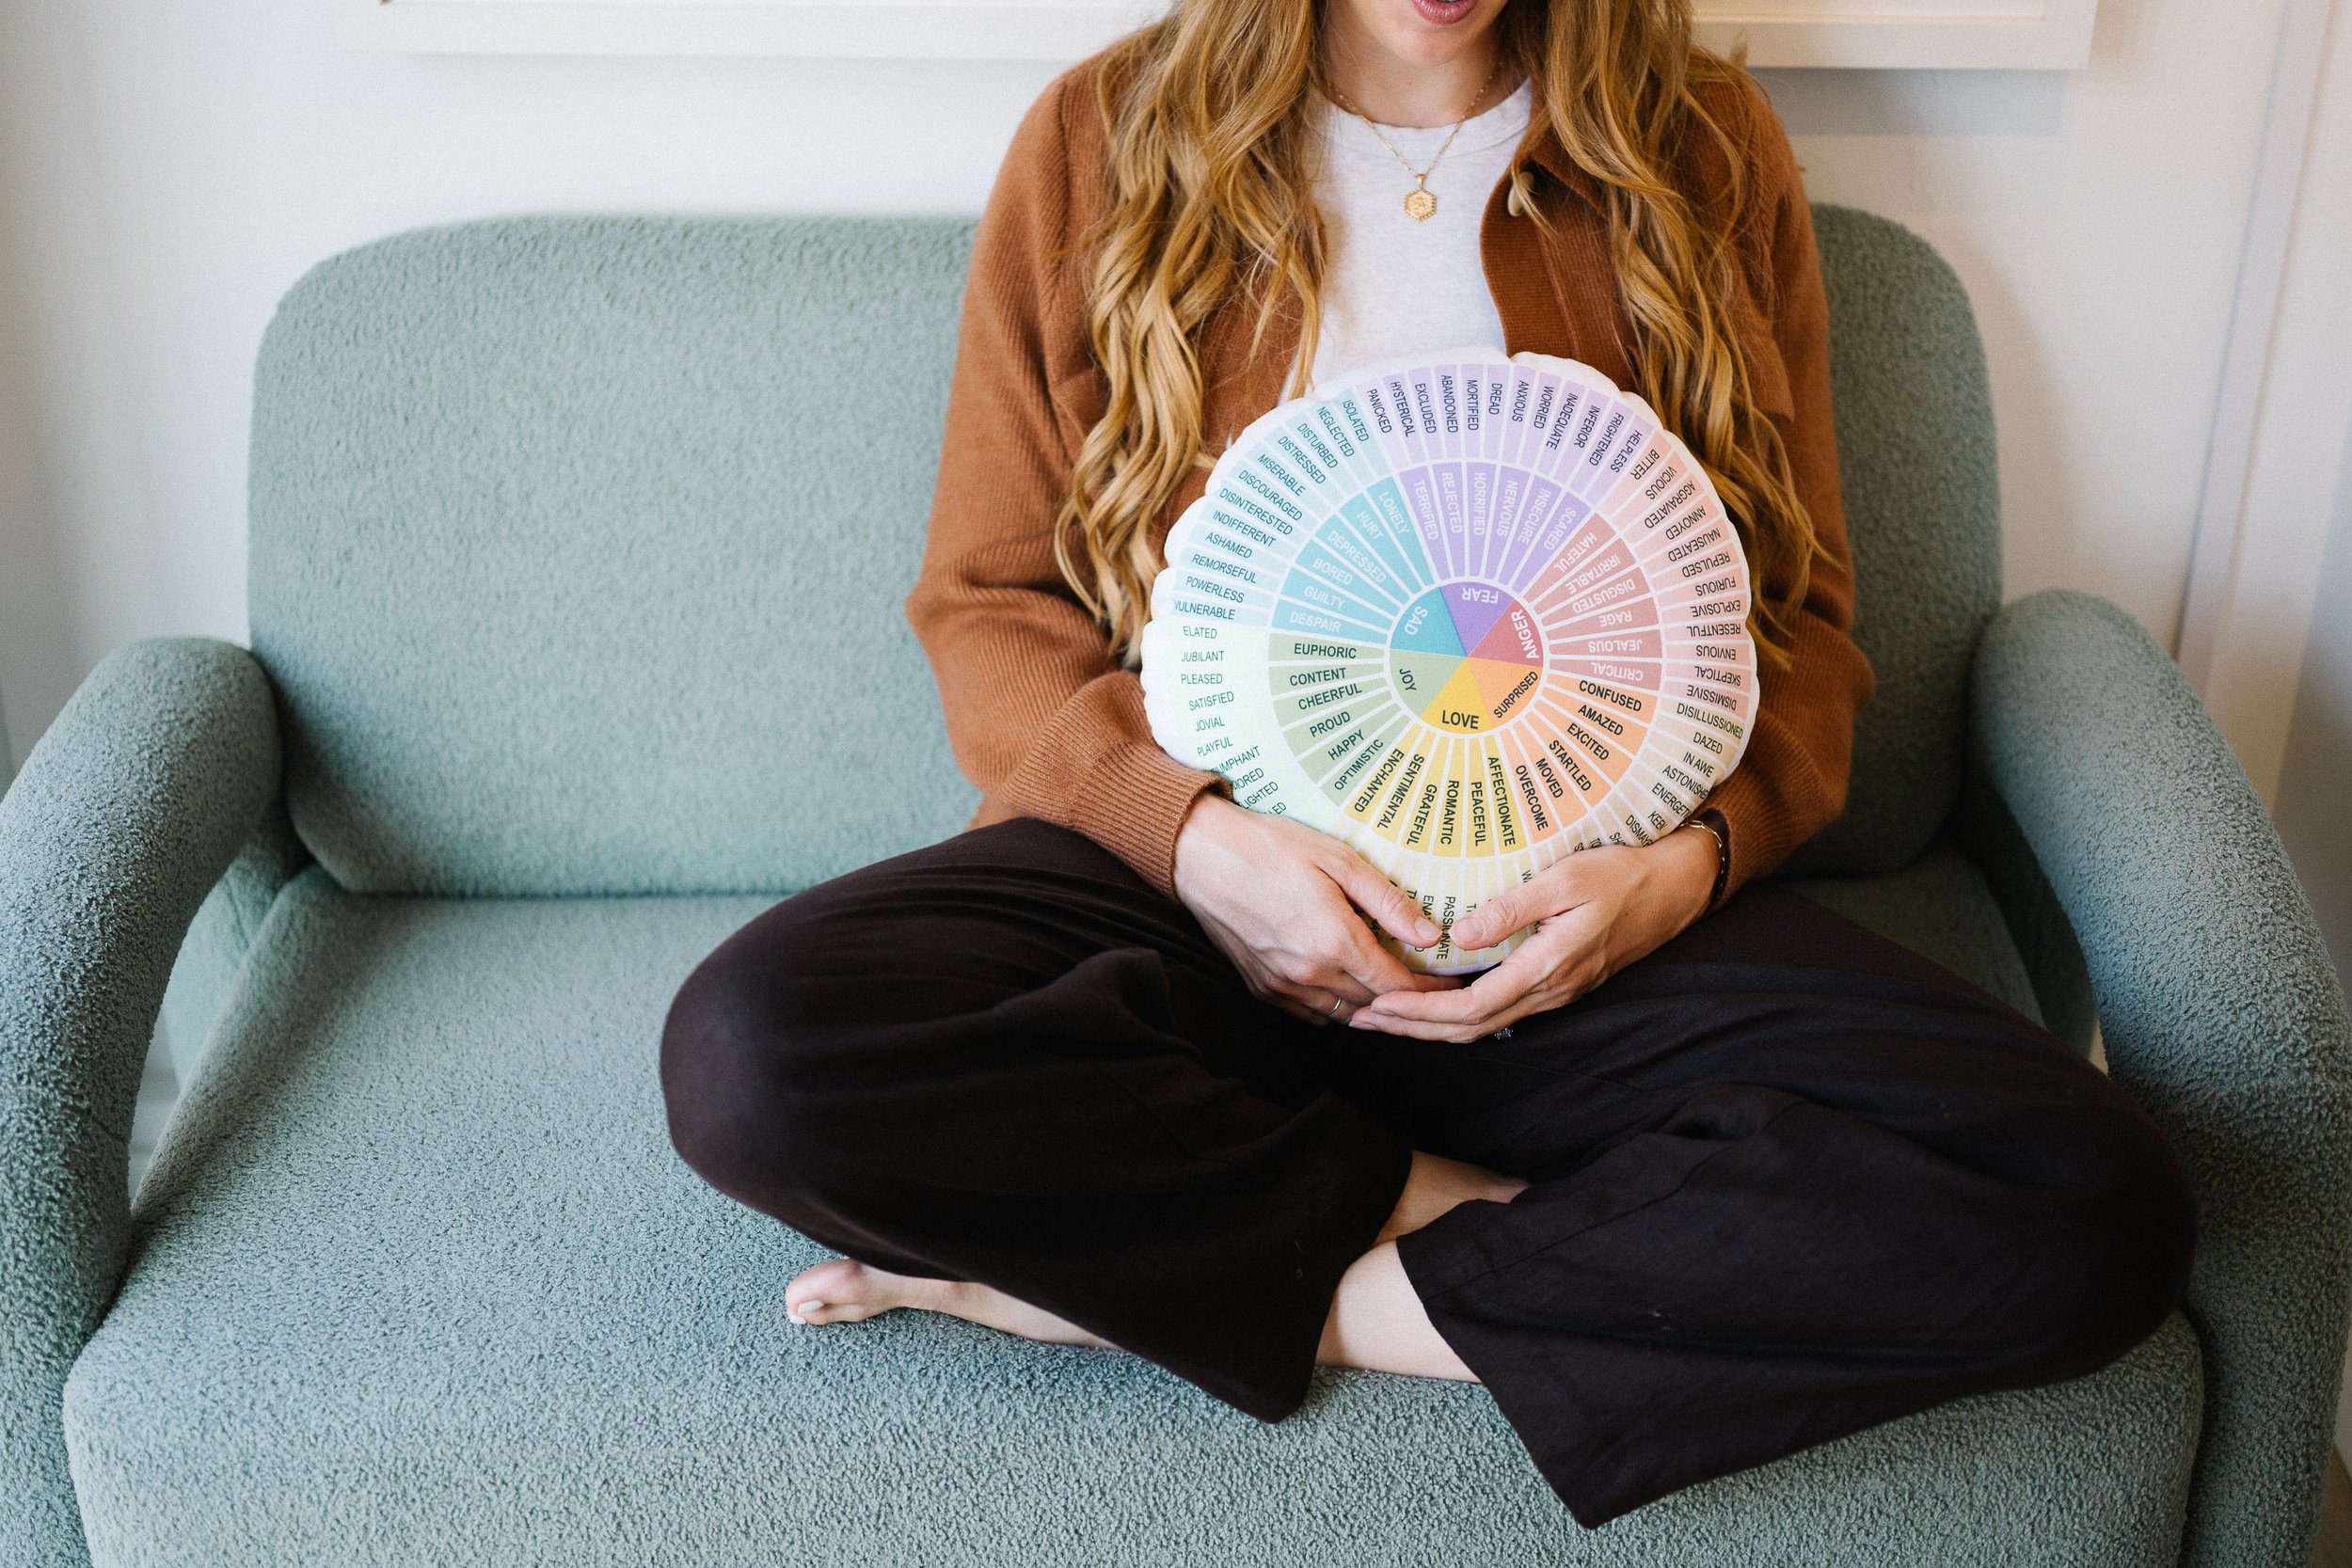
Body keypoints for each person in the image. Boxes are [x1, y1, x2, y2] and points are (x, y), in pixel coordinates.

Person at [660, 0, 2195, 1528]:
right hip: (1192, 903)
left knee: (2096, 1201)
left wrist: (1681, 874)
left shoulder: (1698, 148)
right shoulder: (1102, 138)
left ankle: (1225, 1293)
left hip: (1574, 934)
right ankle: (1445, 1216)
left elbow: (1798, 632)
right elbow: (986, 609)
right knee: (749, 1055)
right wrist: (1202, 846)